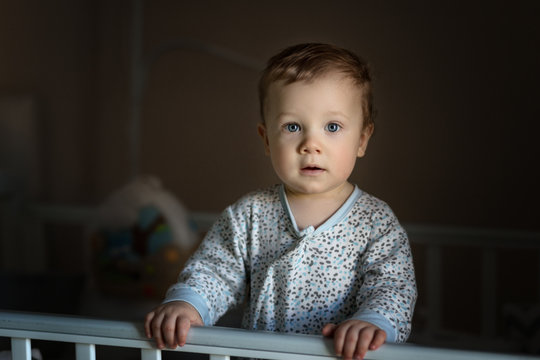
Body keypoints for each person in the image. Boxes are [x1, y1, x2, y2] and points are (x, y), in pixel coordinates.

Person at [145, 43, 417, 360]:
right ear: (266, 139)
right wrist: (188, 302)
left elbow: (392, 288)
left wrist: (372, 322)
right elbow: (214, 271)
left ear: (362, 139)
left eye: (332, 127)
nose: (311, 144)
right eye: (292, 127)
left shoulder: (376, 222)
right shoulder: (249, 214)